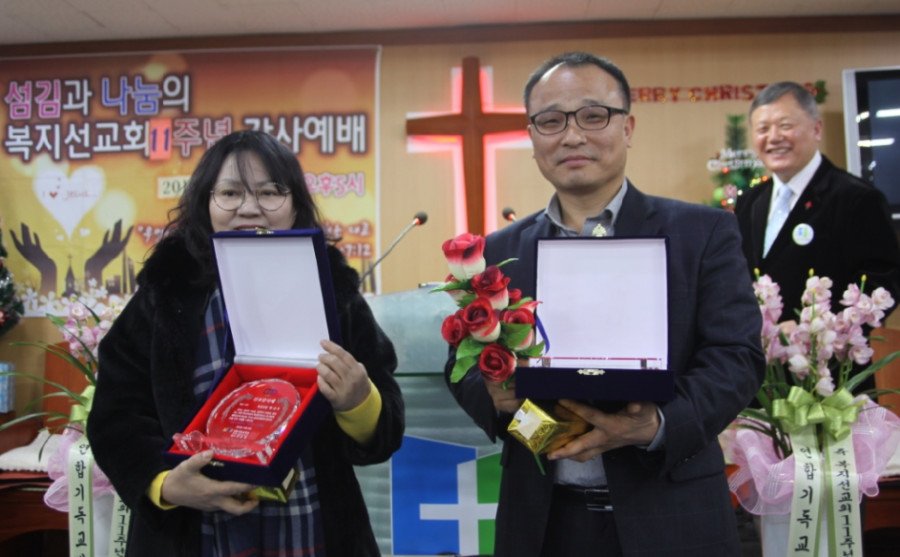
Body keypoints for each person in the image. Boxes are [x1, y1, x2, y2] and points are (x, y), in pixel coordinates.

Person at [445, 52, 764, 556]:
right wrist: (497, 397)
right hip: (542, 522)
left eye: (593, 116)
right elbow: (462, 365)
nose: (572, 136)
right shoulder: (498, 253)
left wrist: (657, 425)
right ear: (532, 137)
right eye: (551, 120)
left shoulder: (702, 234)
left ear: (628, 127)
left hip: (673, 515)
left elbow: (736, 357)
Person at [87, 130, 404, 557]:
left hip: (315, 529)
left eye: (270, 192)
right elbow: (115, 415)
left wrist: (358, 401)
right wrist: (165, 483)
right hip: (190, 535)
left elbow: (385, 427)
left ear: (295, 205)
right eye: (230, 193)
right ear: (206, 204)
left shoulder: (333, 291)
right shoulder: (165, 293)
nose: (250, 208)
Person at [734, 81, 900, 319]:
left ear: (817, 129)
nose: (774, 137)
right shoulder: (750, 201)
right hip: (756, 342)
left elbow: (884, 280)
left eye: (785, 125)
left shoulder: (857, 198)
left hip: (825, 341)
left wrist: (818, 327)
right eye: (762, 129)